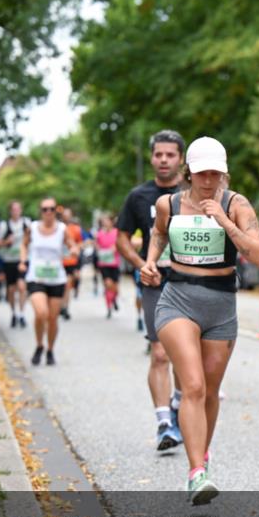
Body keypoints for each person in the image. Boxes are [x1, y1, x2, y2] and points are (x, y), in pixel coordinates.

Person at [148, 136, 259, 505]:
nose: (209, 180)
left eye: (216, 172)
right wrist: (151, 261)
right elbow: (158, 233)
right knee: (194, 386)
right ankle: (197, 472)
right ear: (189, 173)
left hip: (220, 306)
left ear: (224, 173)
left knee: (211, 392)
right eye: (202, 173)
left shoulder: (236, 203)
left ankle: (202, 456)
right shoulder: (168, 203)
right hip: (177, 300)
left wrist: (226, 223)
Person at [116, 130, 187, 451]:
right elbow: (121, 238)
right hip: (156, 283)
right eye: (158, 154)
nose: (163, 160)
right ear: (151, 157)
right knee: (159, 353)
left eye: (170, 155)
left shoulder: (195, 195)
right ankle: (163, 423)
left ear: (181, 159)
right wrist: (142, 263)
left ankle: (177, 406)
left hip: (191, 283)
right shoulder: (138, 197)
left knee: (186, 358)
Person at [20, 198, 79, 366]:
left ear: (55, 211)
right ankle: (39, 345)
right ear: (40, 211)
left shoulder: (62, 229)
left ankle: (50, 350)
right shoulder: (32, 228)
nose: (48, 212)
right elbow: (24, 245)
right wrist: (23, 260)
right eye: (45, 209)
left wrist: (74, 250)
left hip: (56, 278)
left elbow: (71, 244)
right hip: (36, 277)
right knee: (41, 313)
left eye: (52, 209)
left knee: (53, 318)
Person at [0, 201, 30, 328]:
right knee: (11, 289)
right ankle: (14, 313)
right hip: (9, 260)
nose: (16, 211)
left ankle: (22, 314)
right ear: (10, 211)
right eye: (13, 209)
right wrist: (7, 241)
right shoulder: (4, 225)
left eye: (18, 209)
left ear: (21, 210)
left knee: (22, 286)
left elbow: (32, 239)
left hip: (22, 259)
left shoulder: (26, 223)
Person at [95, 213, 122, 318]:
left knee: (115, 288)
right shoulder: (99, 233)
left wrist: (115, 247)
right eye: (103, 221)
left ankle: (114, 298)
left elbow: (120, 244)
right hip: (104, 263)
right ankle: (109, 307)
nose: (105, 223)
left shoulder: (116, 233)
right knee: (108, 284)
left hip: (114, 263)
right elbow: (96, 244)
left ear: (111, 222)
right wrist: (99, 249)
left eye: (106, 220)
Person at [60, 206, 83, 320]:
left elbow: (80, 243)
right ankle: (60, 305)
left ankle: (65, 308)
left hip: (71, 261)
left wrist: (75, 248)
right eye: (65, 214)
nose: (66, 216)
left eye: (68, 214)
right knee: (62, 286)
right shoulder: (57, 228)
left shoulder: (76, 229)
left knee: (68, 284)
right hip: (59, 262)